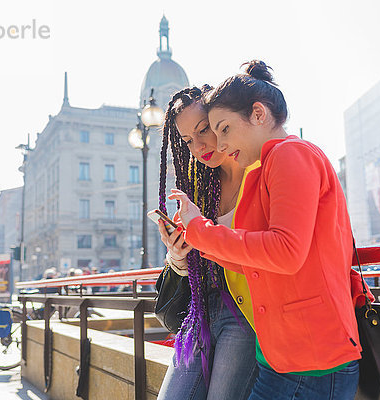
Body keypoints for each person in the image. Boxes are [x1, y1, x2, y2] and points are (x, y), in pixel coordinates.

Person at [169, 61, 370, 400]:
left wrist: (200, 231)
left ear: (258, 114)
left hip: (312, 357)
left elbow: (286, 252)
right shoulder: (270, 165)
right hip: (285, 355)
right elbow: (255, 261)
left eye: (224, 129)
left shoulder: (291, 154)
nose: (219, 144)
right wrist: (193, 237)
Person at [156, 86, 257, 400]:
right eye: (187, 140)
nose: (198, 146)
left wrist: (203, 231)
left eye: (204, 130)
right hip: (200, 309)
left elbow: (269, 246)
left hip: (245, 311)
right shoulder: (199, 181)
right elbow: (190, 259)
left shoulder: (257, 171)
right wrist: (178, 256)